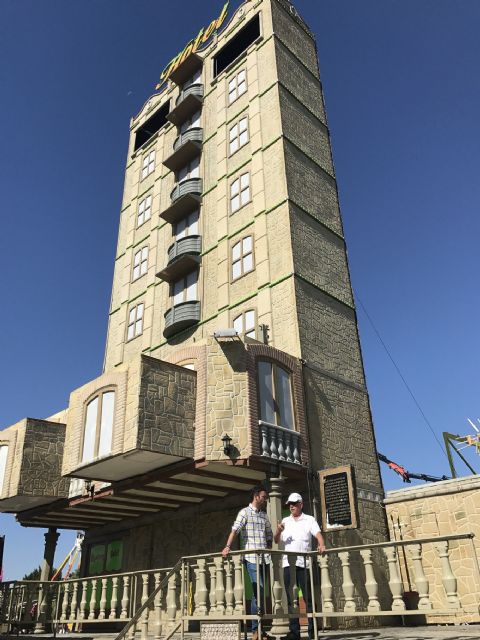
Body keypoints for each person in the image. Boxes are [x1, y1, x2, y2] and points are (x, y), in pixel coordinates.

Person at [222, 485, 272, 640]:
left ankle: (258, 631)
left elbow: (269, 534)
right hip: (251, 558)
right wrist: (228, 546)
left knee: (260, 595)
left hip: (264, 558)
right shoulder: (244, 512)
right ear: (256, 496)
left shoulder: (264, 515)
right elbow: (235, 530)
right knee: (259, 590)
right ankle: (256, 630)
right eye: (263, 497)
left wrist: (269, 546)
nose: (265, 500)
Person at [274, 493, 326, 640]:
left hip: (304, 565)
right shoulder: (285, 521)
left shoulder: (309, 519)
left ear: (301, 504)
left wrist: (321, 544)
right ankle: (294, 632)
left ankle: (312, 632)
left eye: (294, 503)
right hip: (288, 565)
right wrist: (278, 530)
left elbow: (318, 534)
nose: (291, 506)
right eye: (290, 504)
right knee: (291, 599)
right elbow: (276, 540)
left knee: (308, 599)